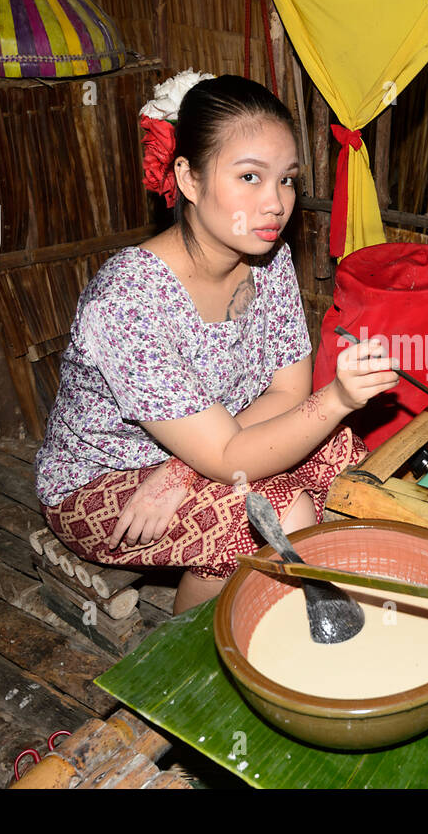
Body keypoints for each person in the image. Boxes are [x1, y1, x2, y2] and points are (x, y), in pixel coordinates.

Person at [34, 73, 397, 614]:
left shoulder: (267, 260)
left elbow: (288, 393)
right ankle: (186, 673)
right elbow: (230, 455)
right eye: (249, 176)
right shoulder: (128, 303)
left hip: (210, 447)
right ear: (189, 178)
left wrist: (184, 468)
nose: (275, 204)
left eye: (287, 180)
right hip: (106, 480)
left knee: (354, 475)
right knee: (276, 522)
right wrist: (340, 398)